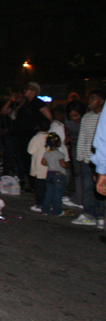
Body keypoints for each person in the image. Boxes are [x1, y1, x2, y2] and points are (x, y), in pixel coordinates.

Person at [71, 90, 105, 227]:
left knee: (102, 188)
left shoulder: (103, 117)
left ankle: (102, 215)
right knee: (88, 187)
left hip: (102, 159)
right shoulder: (86, 117)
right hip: (88, 159)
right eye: (89, 98)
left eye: (94, 99)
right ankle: (89, 214)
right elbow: (82, 137)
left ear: (102, 101)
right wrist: (80, 156)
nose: (90, 101)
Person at [64, 100, 86, 209]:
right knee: (77, 173)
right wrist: (67, 135)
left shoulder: (87, 119)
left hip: (87, 146)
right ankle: (78, 197)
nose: (74, 118)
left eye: (76, 116)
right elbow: (65, 128)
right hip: (74, 145)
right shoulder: (67, 120)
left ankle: (86, 198)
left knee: (87, 174)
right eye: (71, 116)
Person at [41, 133, 68, 217]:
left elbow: (43, 162)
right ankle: (57, 211)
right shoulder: (59, 154)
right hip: (59, 174)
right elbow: (63, 164)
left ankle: (45, 210)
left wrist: (50, 164)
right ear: (58, 143)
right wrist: (68, 165)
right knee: (58, 194)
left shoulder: (47, 153)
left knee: (49, 193)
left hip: (49, 173)